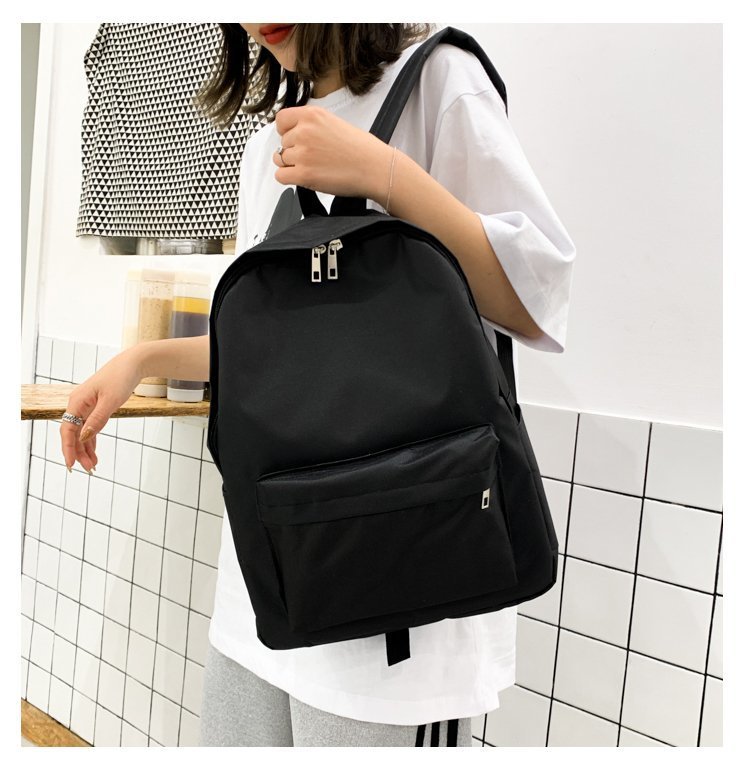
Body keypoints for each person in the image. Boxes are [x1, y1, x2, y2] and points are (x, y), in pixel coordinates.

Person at [60, 23, 576, 747]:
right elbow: (272, 353)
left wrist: (385, 175)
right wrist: (142, 359)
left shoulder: (439, 83)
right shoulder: (266, 146)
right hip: (269, 585)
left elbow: (534, 301)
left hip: (403, 612)